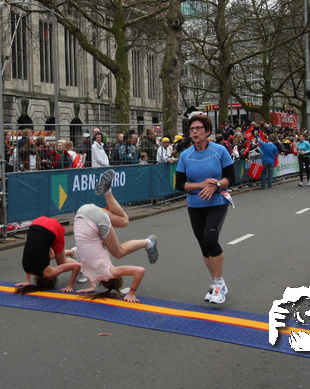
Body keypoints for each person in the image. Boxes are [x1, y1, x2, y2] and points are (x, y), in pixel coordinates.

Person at [72, 170, 158, 303]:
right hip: (81, 213)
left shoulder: (109, 272)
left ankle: (148, 242)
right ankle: (107, 191)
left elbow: (140, 271)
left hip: (93, 220)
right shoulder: (90, 273)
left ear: (114, 277)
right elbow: (90, 275)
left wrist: (132, 292)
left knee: (119, 252)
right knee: (124, 221)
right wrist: (91, 287)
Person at [175, 113, 235, 304]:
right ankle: (218, 282)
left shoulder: (220, 151)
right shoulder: (186, 155)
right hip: (195, 204)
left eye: (198, 128)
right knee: (203, 245)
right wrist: (201, 185)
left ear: (207, 131)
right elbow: (180, 184)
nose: (194, 132)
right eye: (192, 129)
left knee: (210, 239)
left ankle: (217, 284)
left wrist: (215, 184)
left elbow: (230, 178)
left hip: (217, 201)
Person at [14, 216, 81, 294]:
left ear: (50, 278)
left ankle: (82, 266)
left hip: (52, 228)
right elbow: (29, 262)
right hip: (36, 223)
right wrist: (28, 281)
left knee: (62, 262)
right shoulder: (27, 268)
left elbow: (76, 266)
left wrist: (69, 286)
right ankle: (71, 252)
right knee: (50, 256)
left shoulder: (48, 273)